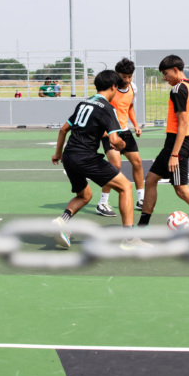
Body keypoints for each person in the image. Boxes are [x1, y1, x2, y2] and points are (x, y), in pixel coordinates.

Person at [137, 55, 189, 247]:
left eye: (166, 74)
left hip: (177, 144)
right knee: (151, 179)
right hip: (178, 143)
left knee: (182, 190)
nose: (164, 78)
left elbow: (183, 123)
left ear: (176, 70)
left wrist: (175, 154)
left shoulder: (178, 90)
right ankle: (142, 227)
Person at [50, 70, 142, 249]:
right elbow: (115, 140)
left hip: (69, 156)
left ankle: (62, 221)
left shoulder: (83, 102)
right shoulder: (108, 108)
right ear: (113, 87)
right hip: (86, 157)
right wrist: (123, 146)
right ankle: (130, 239)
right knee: (125, 187)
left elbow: (63, 130)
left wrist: (58, 154)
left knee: (85, 195)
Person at [96, 58, 145, 216]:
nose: (126, 79)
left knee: (137, 162)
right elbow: (99, 108)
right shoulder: (109, 88)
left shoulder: (133, 88)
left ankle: (141, 199)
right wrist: (102, 129)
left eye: (129, 76)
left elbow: (129, 106)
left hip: (125, 130)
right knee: (115, 166)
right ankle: (102, 202)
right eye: (123, 76)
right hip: (110, 132)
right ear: (117, 74)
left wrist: (136, 125)